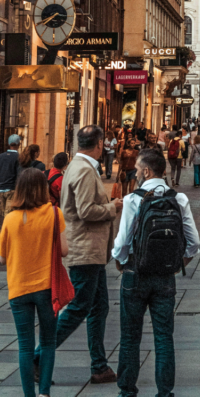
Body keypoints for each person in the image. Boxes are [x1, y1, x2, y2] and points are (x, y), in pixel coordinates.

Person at [34, 125, 123, 385]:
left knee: (99, 307)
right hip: (85, 251)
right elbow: (86, 211)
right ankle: (37, 357)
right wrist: (112, 207)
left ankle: (99, 366)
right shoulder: (84, 170)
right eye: (103, 143)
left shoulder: (76, 165)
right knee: (78, 307)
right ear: (97, 144)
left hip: (92, 252)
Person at [112, 147, 200, 397]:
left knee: (130, 337)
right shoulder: (178, 199)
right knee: (164, 337)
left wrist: (120, 262)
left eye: (138, 169)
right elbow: (194, 243)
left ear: (147, 171)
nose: (136, 173)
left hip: (135, 275)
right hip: (164, 278)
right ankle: (165, 392)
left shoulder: (133, 199)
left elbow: (121, 244)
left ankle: (127, 391)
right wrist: (176, 263)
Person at [0, 169, 69, 397]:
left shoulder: (10, 219)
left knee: (25, 345)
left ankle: (28, 395)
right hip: (47, 289)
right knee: (48, 342)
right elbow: (65, 251)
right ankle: (44, 393)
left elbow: (2, 257)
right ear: (43, 189)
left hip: (19, 288)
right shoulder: (54, 213)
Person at [0, 133, 21, 227]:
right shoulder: (18, 157)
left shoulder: (1, 156)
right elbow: (19, 174)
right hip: (11, 189)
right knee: (8, 216)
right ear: (18, 144)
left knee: (2, 215)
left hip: (1, 189)